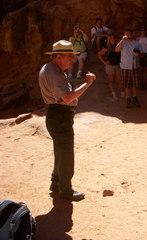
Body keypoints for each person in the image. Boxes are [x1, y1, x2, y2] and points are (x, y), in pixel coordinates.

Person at [38, 40, 96, 201]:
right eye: (69, 56)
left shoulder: (51, 68)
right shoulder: (55, 73)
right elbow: (68, 97)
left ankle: (56, 183)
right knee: (66, 153)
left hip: (57, 116)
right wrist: (87, 83)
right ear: (57, 57)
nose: (72, 59)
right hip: (60, 116)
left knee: (60, 151)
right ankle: (66, 190)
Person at [115, 30, 142, 108]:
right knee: (127, 84)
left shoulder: (136, 43)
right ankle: (128, 99)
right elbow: (116, 50)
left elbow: (141, 53)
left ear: (131, 34)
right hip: (125, 66)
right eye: (126, 34)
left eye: (129, 34)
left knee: (135, 84)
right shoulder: (122, 43)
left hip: (134, 66)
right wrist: (122, 40)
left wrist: (138, 54)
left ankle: (135, 98)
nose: (127, 35)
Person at [98, 35, 124, 101]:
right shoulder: (107, 47)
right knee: (111, 80)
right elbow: (99, 54)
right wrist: (104, 62)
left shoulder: (118, 45)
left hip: (117, 65)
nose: (112, 40)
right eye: (111, 38)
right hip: (110, 66)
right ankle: (113, 94)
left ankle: (122, 93)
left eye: (113, 38)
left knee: (120, 80)